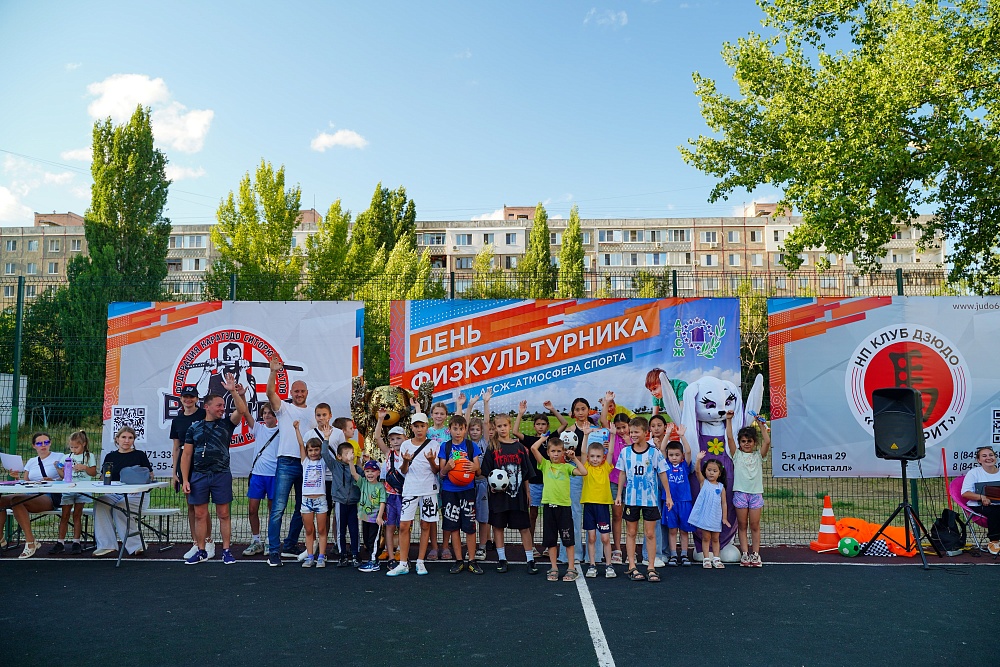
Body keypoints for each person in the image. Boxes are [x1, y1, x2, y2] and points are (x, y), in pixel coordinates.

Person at [181, 374, 246, 565]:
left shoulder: (227, 424)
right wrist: (185, 479)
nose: (222, 409)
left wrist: (233, 391)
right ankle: (201, 550)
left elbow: (241, 410)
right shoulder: (194, 428)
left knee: (224, 514)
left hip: (221, 474)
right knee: (200, 514)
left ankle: (226, 551)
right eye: (218, 405)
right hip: (199, 476)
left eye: (223, 406)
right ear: (207, 407)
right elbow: (186, 455)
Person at [265, 355, 317, 567]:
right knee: (278, 508)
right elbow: (270, 393)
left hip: (307, 464)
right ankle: (273, 551)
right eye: (296, 391)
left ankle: (290, 544)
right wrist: (273, 372)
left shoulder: (314, 413)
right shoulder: (284, 408)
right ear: (291, 393)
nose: (299, 394)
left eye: (302, 391)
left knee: (303, 508)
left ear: (307, 393)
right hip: (286, 462)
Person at [615, 417, 673, 582]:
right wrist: (619, 494)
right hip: (631, 499)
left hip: (650, 499)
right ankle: (632, 566)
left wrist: (668, 496)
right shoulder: (625, 452)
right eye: (631, 432)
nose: (633, 435)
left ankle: (651, 567)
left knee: (650, 533)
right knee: (631, 532)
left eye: (636, 432)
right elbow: (622, 473)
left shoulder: (654, 452)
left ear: (645, 433)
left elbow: (662, 473)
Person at [481, 413, 539, 574]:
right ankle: (502, 559)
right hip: (499, 497)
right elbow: (486, 472)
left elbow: (526, 472)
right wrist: (491, 486)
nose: (502, 429)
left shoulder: (519, 447)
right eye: (499, 426)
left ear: (509, 426)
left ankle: (530, 560)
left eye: (505, 426)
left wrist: (527, 491)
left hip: (518, 496)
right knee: (498, 526)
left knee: (524, 527)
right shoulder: (492, 447)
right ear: (495, 428)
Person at [386, 412, 441, 577]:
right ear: (411, 428)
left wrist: (431, 460)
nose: (419, 429)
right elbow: (403, 471)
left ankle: (420, 561)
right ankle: (403, 563)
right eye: (416, 426)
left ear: (427, 427)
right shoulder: (405, 445)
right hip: (410, 489)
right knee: (403, 525)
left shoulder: (434, 445)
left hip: (429, 489)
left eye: (422, 426)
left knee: (426, 525)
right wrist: (405, 461)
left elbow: (436, 470)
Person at [531, 432, 587, 582]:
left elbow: (584, 472)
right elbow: (533, 448)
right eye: (553, 451)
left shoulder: (567, 467)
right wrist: (543, 438)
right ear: (548, 453)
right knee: (551, 540)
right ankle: (554, 567)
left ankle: (571, 568)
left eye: (558, 451)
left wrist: (574, 458)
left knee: (568, 539)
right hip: (549, 507)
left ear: (563, 452)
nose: (556, 454)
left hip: (564, 508)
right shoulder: (545, 465)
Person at [514, 398, 566, 555]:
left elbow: (564, 424)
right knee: (533, 514)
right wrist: (520, 413)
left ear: (547, 426)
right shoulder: (531, 440)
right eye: (538, 424)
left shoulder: (552, 438)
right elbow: (515, 432)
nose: (541, 426)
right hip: (534, 483)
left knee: (551, 515)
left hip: (550, 483)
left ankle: (550, 547)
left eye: (543, 424)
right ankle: (531, 547)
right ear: (534, 426)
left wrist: (552, 409)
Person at [92, 427, 154, 558]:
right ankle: (106, 545)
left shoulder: (140, 455)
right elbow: (104, 477)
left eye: (130, 438)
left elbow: (150, 476)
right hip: (115, 493)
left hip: (137, 495)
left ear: (134, 440)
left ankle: (137, 545)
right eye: (123, 437)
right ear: (117, 439)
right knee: (101, 502)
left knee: (120, 507)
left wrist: (137, 486)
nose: (127, 440)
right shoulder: (110, 456)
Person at [1, 432, 64, 559]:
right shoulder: (31, 461)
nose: (43, 445)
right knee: (2, 500)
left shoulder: (60, 457)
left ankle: (30, 542)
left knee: (17, 500)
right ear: (34, 446)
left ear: (50, 443)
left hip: (49, 495)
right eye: (39, 443)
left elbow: (67, 477)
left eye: (46, 442)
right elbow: (26, 482)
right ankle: (1, 538)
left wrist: (54, 480)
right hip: (30, 493)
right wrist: (17, 477)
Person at [170, 383, 212, 561]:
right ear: (180, 399)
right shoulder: (177, 420)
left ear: (197, 399)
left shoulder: (203, 414)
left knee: (202, 506)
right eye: (185, 397)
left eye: (191, 397)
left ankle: (208, 542)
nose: (188, 400)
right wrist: (175, 472)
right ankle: (196, 542)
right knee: (191, 505)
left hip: (202, 463)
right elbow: (176, 448)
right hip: (185, 465)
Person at [439, 414, 483, 574]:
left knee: (470, 527)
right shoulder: (445, 447)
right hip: (450, 491)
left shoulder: (471, 446)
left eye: (461, 429)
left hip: (467, 490)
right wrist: (447, 468)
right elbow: (441, 474)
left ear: (465, 430)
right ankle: (459, 560)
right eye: (455, 429)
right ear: (449, 430)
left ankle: (472, 560)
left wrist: (475, 468)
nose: (458, 432)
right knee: (453, 527)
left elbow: (478, 472)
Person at [726, 410, 770, 567]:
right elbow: (729, 438)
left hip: (755, 494)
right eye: (743, 441)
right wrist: (729, 420)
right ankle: (745, 553)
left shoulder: (758, 455)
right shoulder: (736, 455)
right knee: (742, 524)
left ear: (754, 442)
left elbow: (767, 442)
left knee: (755, 525)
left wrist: (761, 425)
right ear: (740, 442)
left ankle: (756, 554)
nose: (746, 443)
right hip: (740, 494)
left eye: (749, 441)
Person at [46, 430, 98, 555]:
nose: (74, 449)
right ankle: (60, 542)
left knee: (77, 515)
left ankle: (76, 542)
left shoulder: (89, 456)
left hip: (82, 489)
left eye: (76, 447)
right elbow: (63, 475)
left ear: (84, 444)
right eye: (71, 447)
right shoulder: (66, 457)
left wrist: (84, 467)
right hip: (68, 488)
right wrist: (58, 468)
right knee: (65, 515)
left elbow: (93, 473)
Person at [557, 397, 592, 568]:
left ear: (588, 410)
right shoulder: (568, 432)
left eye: (583, 409)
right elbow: (561, 454)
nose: (580, 412)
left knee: (592, 512)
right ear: (572, 412)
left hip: (593, 474)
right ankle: (573, 553)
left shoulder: (596, 430)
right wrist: (571, 457)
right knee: (574, 513)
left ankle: (595, 555)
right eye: (577, 409)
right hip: (574, 472)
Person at [598, 391, 632, 565]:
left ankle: (631, 551)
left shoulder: (634, 439)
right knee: (617, 515)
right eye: (618, 428)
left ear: (629, 426)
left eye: (623, 427)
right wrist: (607, 402)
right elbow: (604, 420)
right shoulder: (612, 437)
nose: (621, 430)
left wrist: (629, 441)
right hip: (614, 481)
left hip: (632, 484)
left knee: (631, 518)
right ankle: (617, 549)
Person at [243, 404, 279, 557]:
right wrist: (241, 395)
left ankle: (271, 540)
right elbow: (245, 412)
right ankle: (256, 541)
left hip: (274, 475)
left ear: (276, 416)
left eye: (270, 413)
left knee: (273, 511)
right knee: (252, 509)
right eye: (264, 413)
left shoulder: (282, 430)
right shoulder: (258, 428)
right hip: (257, 475)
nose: (267, 415)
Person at [461, 388, 493, 561]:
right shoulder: (465, 443)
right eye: (472, 429)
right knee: (469, 516)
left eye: (477, 429)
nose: (474, 431)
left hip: (481, 482)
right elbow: (464, 423)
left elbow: (487, 422)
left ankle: (482, 547)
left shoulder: (484, 442)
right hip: (467, 483)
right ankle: (471, 546)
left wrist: (486, 402)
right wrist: (470, 406)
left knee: (482, 517)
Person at [293, 421, 329, 568]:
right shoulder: (305, 462)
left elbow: (326, 451)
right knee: (309, 530)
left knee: (321, 529)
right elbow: (301, 444)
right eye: (311, 450)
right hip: (306, 501)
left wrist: (326, 438)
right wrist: (297, 429)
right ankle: (310, 556)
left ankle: (321, 556)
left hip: (320, 500)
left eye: (316, 450)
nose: (313, 453)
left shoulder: (323, 462)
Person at [689, 450, 730, 569]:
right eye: (709, 470)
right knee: (706, 538)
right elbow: (697, 471)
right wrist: (698, 459)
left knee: (716, 538)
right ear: (705, 471)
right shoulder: (703, 483)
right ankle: (706, 559)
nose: (711, 473)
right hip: (706, 516)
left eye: (715, 471)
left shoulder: (721, 487)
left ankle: (716, 558)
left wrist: (724, 518)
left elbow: (724, 503)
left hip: (716, 517)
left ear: (720, 473)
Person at [374, 411, 406, 564]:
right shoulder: (389, 453)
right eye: (392, 439)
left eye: (399, 438)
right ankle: (389, 552)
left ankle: (401, 550)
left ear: (405, 438)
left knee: (403, 526)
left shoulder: (409, 454)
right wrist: (380, 419)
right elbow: (377, 438)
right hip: (389, 495)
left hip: (404, 495)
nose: (395, 441)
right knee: (389, 525)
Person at [661, 432, 695, 567]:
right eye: (671, 455)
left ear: (681, 456)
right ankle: (673, 555)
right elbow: (662, 449)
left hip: (684, 501)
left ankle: (684, 554)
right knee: (672, 530)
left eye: (677, 455)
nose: (674, 458)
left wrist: (682, 436)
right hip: (670, 502)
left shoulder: (684, 466)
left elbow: (689, 451)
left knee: (684, 530)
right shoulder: (666, 465)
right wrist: (668, 434)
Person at [960, 445, 1000, 555]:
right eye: (984, 456)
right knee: (995, 511)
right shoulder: (974, 473)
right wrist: (982, 497)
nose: (989, 458)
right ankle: (994, 541)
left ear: (995, 457)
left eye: (991, 455)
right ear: (979, 460)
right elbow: (965, 493)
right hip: (978, 504)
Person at [328, 441, 362, 567]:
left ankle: (355, 554)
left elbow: (363, 478)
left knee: (354, 530)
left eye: (352, 453)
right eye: (347, 454)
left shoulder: (357, 469)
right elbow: (325, 454)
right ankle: (342, 555)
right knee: (341, 530)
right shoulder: (335, 466)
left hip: (353, 503)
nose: (350, 456)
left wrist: (359, 462)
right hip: (340, 502)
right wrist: (326, 439)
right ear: (339, 456)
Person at [352, 460, 387, 572]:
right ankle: (374, 560)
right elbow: (353, 473)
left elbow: (382, 502)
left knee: (373, 541)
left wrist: (379, 517)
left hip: (375, 519)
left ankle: (373, 561)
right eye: (367, 471)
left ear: (378, 473)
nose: (370, 474)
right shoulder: (363, 483)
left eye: (373, 471)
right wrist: (350, 461)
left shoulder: (380, 486)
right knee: (366, 541)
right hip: (365, 518)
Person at [425, 401, 449, 560]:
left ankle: (445, 546)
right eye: (436, 413)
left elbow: (463, 423)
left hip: (447, 477)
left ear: (446, 416)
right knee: (432, 514)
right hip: (431, 477)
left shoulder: (449, 431)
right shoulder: (427, 431)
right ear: (431, 415)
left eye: (442, 413)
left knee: (447, 513)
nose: (439, 416)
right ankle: (434, 547)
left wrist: (462, 406)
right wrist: (418, 408)